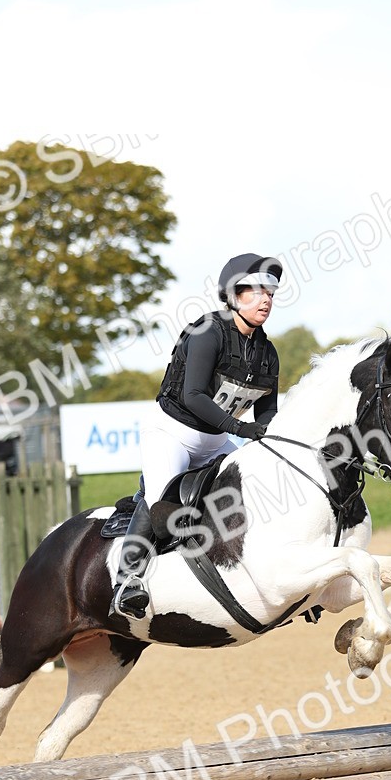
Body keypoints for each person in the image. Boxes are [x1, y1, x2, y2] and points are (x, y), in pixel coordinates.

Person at [109, 252, 283, 620]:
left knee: (260, 486)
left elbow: (268, 410)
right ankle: (126, 581)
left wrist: (270, 438)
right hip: (171, 432)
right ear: (234, 295)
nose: (266, 298)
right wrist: (240, 429)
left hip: (215, 440)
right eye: (256, 290)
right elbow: (193, 396)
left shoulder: (267, 352)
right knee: (163, 507)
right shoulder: (208, 332)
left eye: (270, 291)